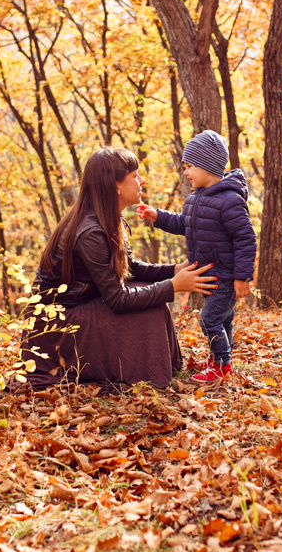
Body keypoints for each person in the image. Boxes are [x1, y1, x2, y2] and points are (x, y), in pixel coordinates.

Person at [20, 147, 218, 390]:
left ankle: (164, 367)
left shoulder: (107, 217)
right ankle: (147, 377)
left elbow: (130, 268)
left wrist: (175, 269)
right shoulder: (90, 230)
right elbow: (117, 299)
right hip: (55, 325)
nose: (142, 180)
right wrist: (173, 286)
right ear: (114, 185)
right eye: (135, 176)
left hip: (79, 306)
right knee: (150, 307)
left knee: (150, 294)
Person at [137, 129, 257, 384]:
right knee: (222, 320)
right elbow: (184, 224)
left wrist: (242, 277)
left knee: (209, 319)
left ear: (208, 165)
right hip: (210, 274)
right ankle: (220, 360)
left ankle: (221, 366)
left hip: (224, 274)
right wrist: (157, 216)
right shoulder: (195, 199)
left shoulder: (230, 201)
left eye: (190, 166)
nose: (186, 172)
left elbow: (245, 239)